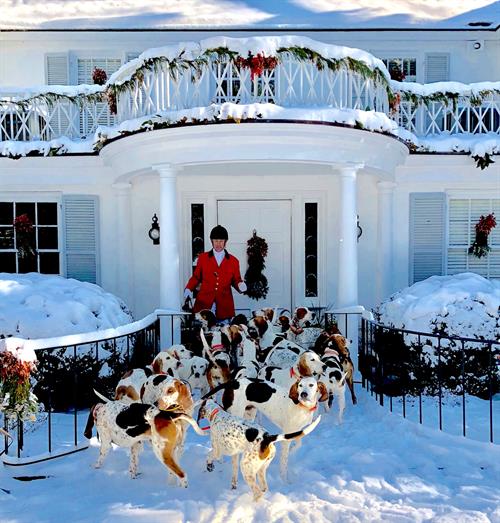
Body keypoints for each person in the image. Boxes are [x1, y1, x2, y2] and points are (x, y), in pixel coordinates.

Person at [184, 225, 247, 321]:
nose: (218, 244)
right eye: (216, 241)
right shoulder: (203, 258)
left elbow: (236, 280)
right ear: (212, 241)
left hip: (224, 306)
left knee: (224, 329)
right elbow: (196, 277)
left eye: (221, 241)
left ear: (225, 242)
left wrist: (240, 285)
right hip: (204, 304)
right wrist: (189, 288)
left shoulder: (233, 261)